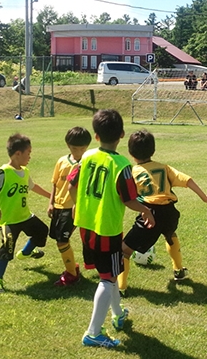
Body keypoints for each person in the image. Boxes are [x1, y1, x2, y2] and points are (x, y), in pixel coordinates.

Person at [69, 109, 155, 348]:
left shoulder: (86, 156)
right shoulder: (122, 165)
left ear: (96, 136)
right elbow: (128, 199)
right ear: (122, 135)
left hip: (86, 224)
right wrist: (146, 211)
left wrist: (77, 205)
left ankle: (118, 314)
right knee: (107, 278)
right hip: (106, 228)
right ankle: (93, 332)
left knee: (110, 273)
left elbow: (72, 183)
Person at [118, 129, 207, 295]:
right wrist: (204, 196)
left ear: (130, 152)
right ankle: (178, 270)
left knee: (124, 251)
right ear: (153, 150)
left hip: (150, 214)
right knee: (170, 235)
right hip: (170, 212)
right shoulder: (164, 168)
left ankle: (121, 288)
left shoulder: (132, 172)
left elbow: (125, 194)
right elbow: (187, 180)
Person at [0, 133, 51, 294]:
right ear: (18, 154)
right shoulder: (3, 172)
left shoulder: (25, 172)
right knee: (7, 246)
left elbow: (33, 187)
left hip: (25, 216)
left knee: (42, 231)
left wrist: (51, 197)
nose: (30, 157)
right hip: (7, 221)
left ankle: (26, 252)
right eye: (29, 153)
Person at [47, 126, 92, 286]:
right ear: (68, 146)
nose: (78, 151)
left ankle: (72, 274)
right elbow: (55, 184)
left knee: (62, 241)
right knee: (58, 239)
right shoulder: (61, 162)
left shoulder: (88, 164)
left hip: (73, 209)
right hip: (58, 207)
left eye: (82, 148)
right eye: (74, 148)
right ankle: (73, 267)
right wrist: (51, 203)